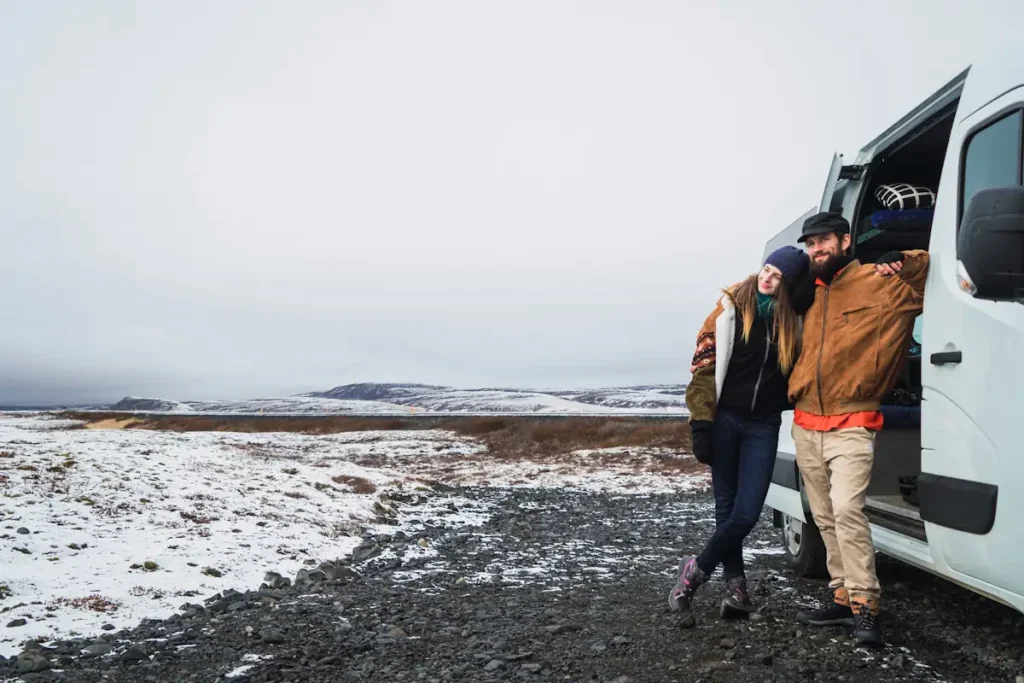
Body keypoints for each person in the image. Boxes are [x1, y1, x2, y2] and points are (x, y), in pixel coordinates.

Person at [787, 211, 929, 647]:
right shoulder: (807, 294)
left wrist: (903, 260)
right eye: (810, 245)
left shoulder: (878, 281)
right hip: (806, 422)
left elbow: (927, 275)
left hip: (853, 420)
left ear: (845, 241)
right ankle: (842, 597)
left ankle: (866, 606)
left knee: (848, 510)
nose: (816, 250)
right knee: (825, 516)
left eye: (824, 241)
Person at [670, 246, 814, 618]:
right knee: (727, 509)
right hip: (726, 421)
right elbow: (703, 368)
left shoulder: (793, 322)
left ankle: (695, 570)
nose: (766, 277)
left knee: (747, 513)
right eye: (766, 269)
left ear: (788, 286)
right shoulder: (730, 309)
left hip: (763, 425)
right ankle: (737, 590)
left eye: (777, 276)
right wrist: (701, 423)